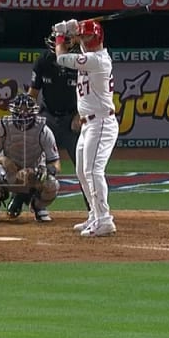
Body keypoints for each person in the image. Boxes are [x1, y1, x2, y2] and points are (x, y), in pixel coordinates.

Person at [52, 18, 118, 237]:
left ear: (97, 37)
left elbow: (61, 58)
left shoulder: (98, 60)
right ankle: (95, 215)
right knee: (82, 171)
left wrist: (61, 35)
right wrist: (75, 30)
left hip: (101, 123)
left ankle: (105, 220)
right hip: (88, 124)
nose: (84, 40)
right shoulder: (92, 56)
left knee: (93, 171)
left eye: (87, 36)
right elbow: (80, 47)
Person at [20, 33, 90, 217]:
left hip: (72, 119)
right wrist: (28, 118)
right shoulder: (44, 61)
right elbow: (33, 93)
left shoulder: (83, 63)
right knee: (30, 159)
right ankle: (22, 200)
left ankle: (94, 210)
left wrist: (79, 115)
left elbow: (91, 95)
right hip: (48, 116)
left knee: (84, 166)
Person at [0, 93, 61, 224]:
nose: (23, 114)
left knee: (52, 184)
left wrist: (40, 172)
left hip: (33, 175)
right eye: (20, 110)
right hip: (10, 172)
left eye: (27, 110)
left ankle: (38, 207)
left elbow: (55, 163)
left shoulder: (43, 130)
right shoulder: (4, 125)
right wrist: (3, 160)